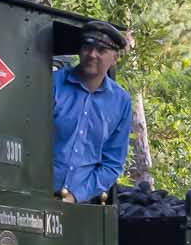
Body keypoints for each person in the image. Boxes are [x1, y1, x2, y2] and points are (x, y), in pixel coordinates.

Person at [51, 25, 135, 203]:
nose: (92, 54)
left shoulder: (121, 102)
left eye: (101, 50)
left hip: (83, 207)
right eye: (87, 47)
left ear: (114, 58)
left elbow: (112, 163)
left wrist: (75, 196)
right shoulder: (53, 83)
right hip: (36, 195)